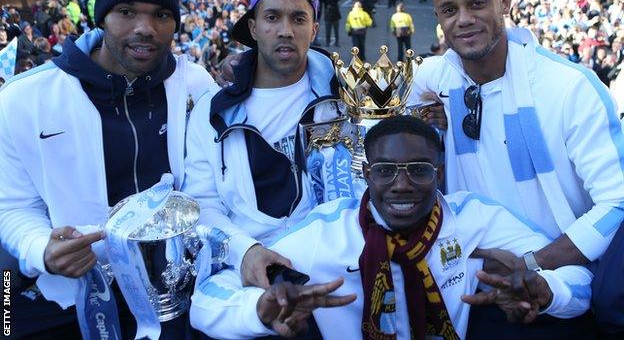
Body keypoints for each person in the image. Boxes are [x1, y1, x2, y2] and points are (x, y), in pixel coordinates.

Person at [189, 115, 593, 339]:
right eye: (385, 171)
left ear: (439, 171)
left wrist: (546, 291)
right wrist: (257, 311)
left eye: (418, 170)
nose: (402, 185)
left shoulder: (476, 219)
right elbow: (206, 300)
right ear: (366, 173)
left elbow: (580, 282)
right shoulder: (322, 235)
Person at [0, 0, 212, 338]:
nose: (145, 28)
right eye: (127, 11)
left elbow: (213, 182)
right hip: (65, 298)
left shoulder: (196, 86)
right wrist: (40, 248)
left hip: (173, 297)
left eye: (161, 15)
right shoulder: (23, 99)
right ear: (102, 18)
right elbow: (13, 205)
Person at [410, 0, 623, 337]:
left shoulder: (569, 88)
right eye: (449, 10)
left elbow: (617, 203)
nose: (464, 19)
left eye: (477, 3)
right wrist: (429, 120)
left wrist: (532, 264)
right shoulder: (439, 75)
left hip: (555, 294)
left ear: (504, 2)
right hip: (462, 292)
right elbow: (409, 98)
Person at [182, 0, 353, 307]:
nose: (285, 31)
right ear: (253, 27)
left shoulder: (347, 98)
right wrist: (246, 251)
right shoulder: (210, 112)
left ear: (314, 29)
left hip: (340, 271)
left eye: (298, 18)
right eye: (272, 17)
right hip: (250, 281)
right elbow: (202, 203)